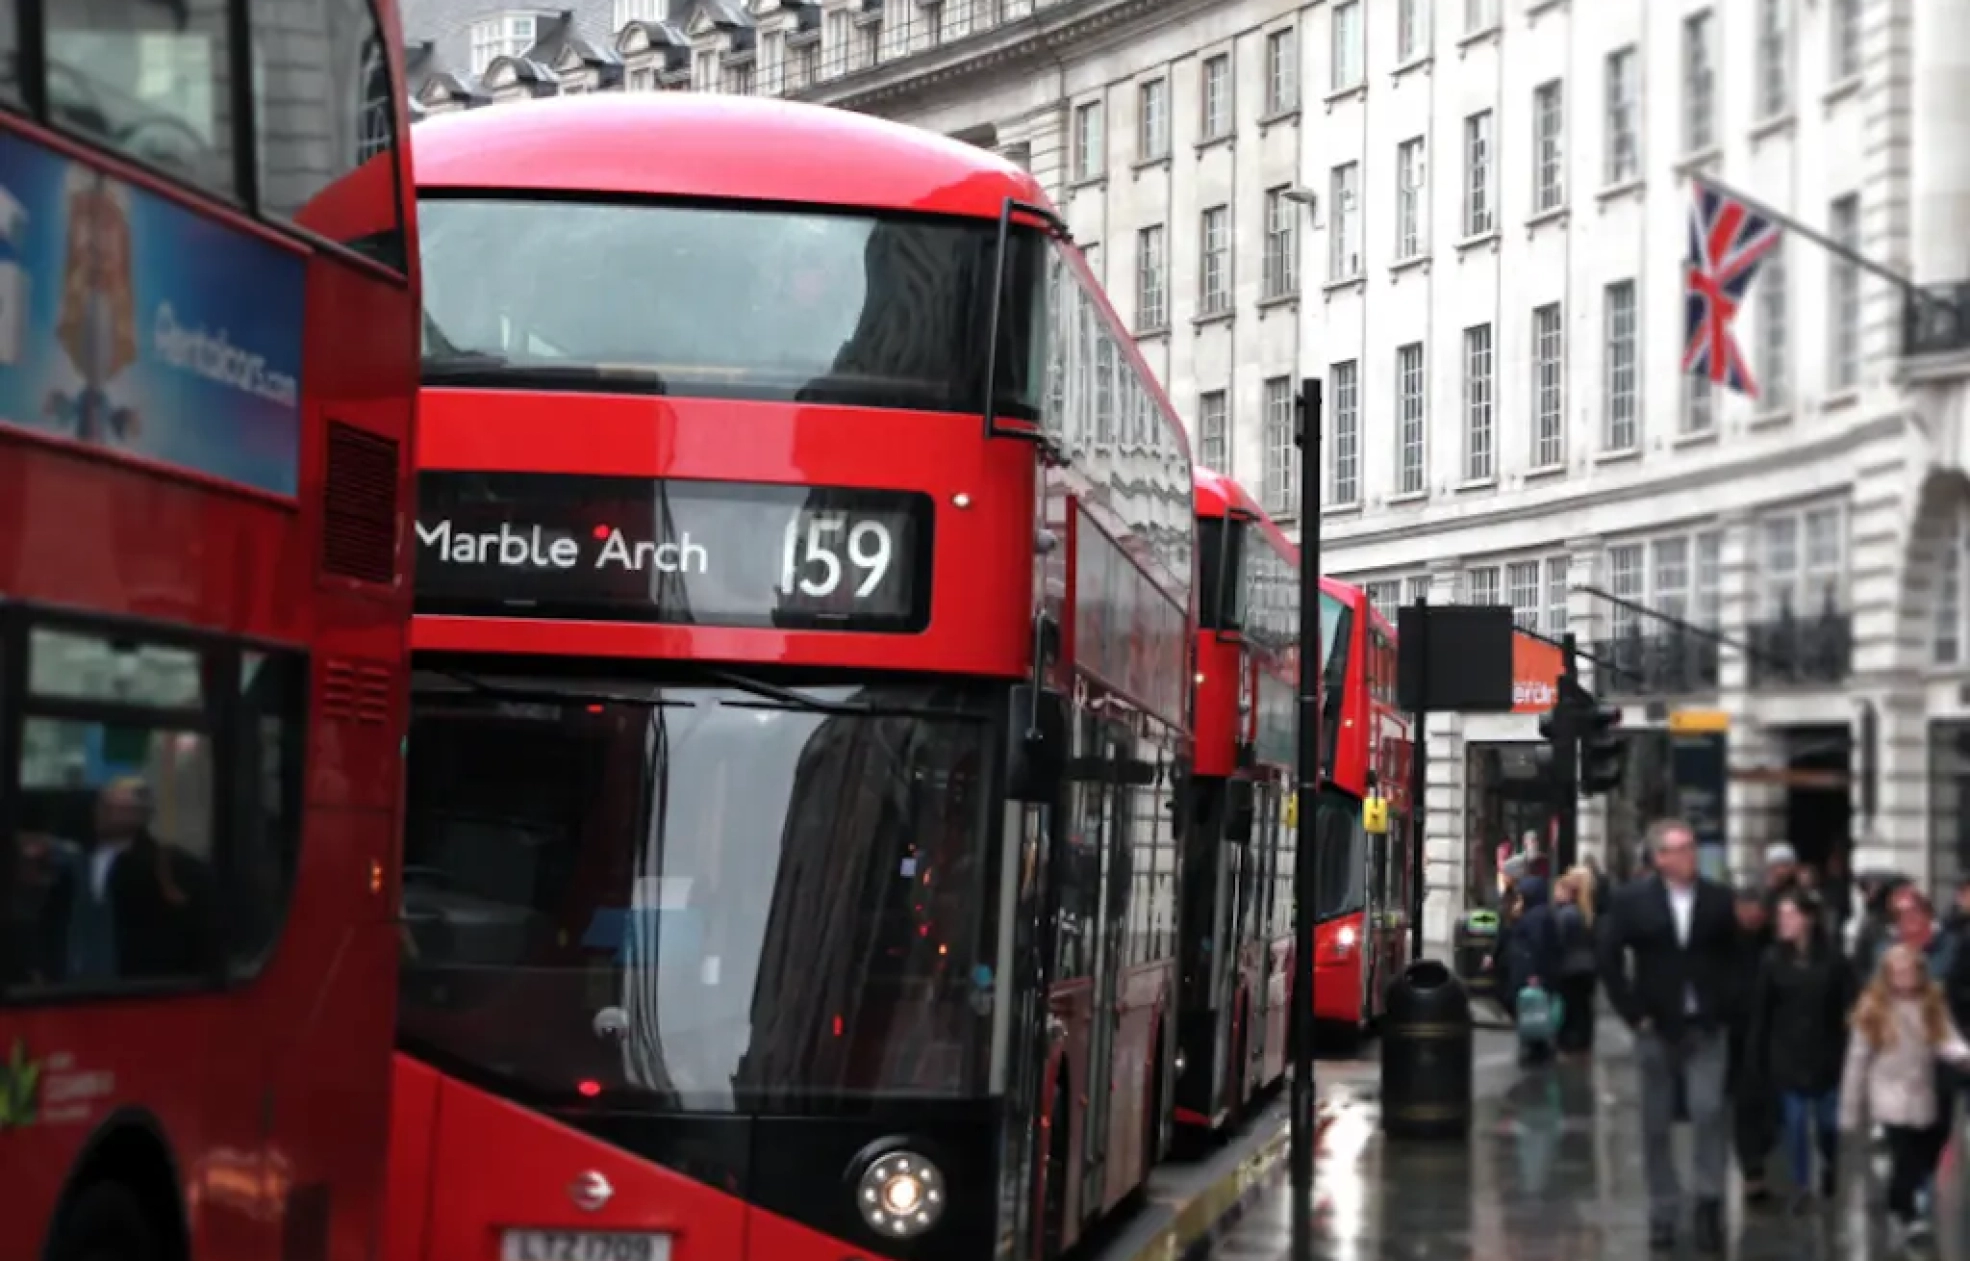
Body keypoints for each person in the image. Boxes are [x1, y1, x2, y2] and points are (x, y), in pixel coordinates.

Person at [1597, 818, 1741, 1253]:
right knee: (1655, 1124)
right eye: (1680, 849)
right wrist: (1633, 1013)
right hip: (1656, 1026)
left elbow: (1735, 959)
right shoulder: (1632, 901)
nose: (1690, 856)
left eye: (1692, 847)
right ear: (1660, 858)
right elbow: (1608, 957)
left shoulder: (1718, 899)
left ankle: (1709, 1205)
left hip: (1705, 1025)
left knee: (1708, 1112)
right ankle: (1663, 1211)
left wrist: (1725, 1006)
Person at [1840, 943, 1970, 1244]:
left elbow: (1946, 1040)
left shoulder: (1932, 1003)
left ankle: (1905, 1202)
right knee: (1904, 1156)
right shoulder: (1873, 1008)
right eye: (1897, 972)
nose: (1904, 977)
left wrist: (1964, 1056)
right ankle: (1904, 1211)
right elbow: (1857, 1062)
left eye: (1909, 971)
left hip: (1923, 1091)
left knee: (1926, 1152)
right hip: (1889, 1095)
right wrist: (1850, 1110)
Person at [1745, 890, 1854, 1212]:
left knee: (1828, 1122)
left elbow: (1849, 1002)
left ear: (1808, 919)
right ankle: (1800, 1183)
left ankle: (1830, 1163)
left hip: (1826, 1052)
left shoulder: (1833, 959)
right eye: (1781, 916)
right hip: (1787, 1053)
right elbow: (1762, 1011)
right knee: (1794, 1123)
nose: (1784, 922)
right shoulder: (1772, 960)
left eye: (1791, 915)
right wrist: (1757, 1056)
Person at [1728, 884, 1776, 1205]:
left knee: (1771, 1107)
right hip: (1737, 1031)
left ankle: (1760, 1155)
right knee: (1745, 1103)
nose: (1752, 916)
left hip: (1772, 1031)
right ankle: (1752, 1170)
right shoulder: (1726, 941)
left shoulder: (1773, 942)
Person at [1552, 866, 1599, 1056]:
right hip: (1587, 966)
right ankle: (1583, 1044)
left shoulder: (1566, 914)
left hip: (1569, 967)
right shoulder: (1586, 912)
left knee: (1570, 1007)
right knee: (1583, 1008)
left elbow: (1559, 941)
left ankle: (1570, 1044)